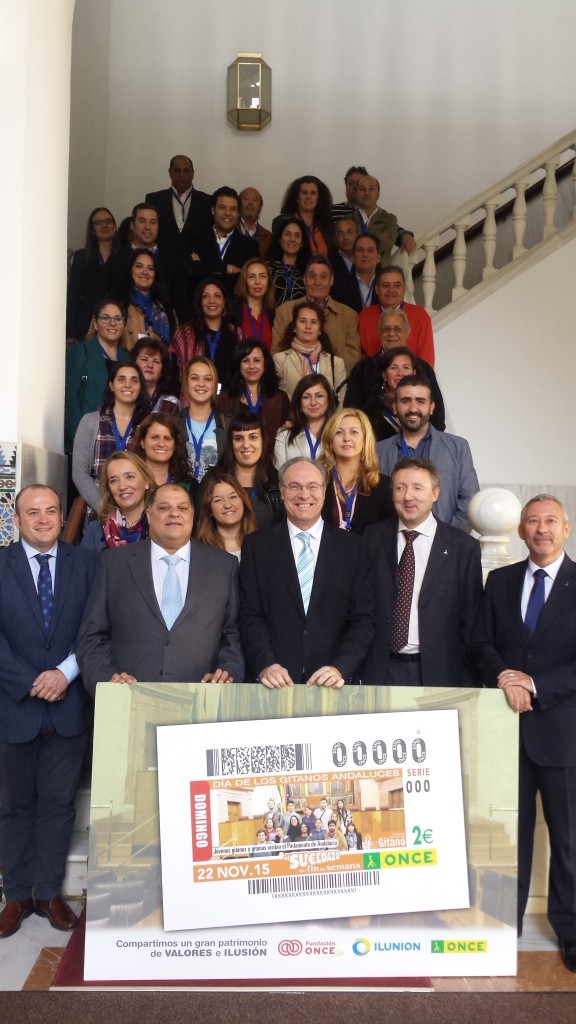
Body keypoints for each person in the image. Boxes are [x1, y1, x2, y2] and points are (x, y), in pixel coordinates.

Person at [473, 494, 576, 972]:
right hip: (506, 729)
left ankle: (571, 933)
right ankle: (501, 927)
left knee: (569, 840)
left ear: (566, 529)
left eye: (550, 521)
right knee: (506, 837)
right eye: (532, 522)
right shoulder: (499, 581)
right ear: (519, 531)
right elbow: (480, 642)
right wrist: (505, 677)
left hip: (562, 733)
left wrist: (532, 684)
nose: (540, 529)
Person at [0, 486, 98, 939]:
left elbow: (95, 628)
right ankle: (16, 895)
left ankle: (48, 893)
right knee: (13, 806)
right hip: (13, 705)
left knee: (59, 806)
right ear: (16, 519)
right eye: (32, 513)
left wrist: (64, 673)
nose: (42, 520)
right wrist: (28, 681)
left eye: (51, 511)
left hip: (68, 703)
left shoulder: (88, 564)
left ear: (63, 517)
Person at [77, 483, 244, 693]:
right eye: (164, 508)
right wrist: (106, 679)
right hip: (129, 700)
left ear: (193, 514)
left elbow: (233, 633)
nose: (174, 514)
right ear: (149, 514)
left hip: (201, 701)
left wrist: (227, 670)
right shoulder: (113, 563)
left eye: (182, 508)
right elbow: (92, 636)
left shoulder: (224, 566)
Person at [239, 456, 374, 687]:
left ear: (324, 491)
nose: (304, 495)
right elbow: (250, 614)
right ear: (281, 492)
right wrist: (265, 664)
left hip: (333, 683)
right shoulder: (256, 546)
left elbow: (363, 618)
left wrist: (340, 667)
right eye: (294, 486)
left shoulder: (354, 548)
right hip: (274, 683)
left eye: (312, 486)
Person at [360, 457, 483, 686]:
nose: (408, 496)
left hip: (438, 673)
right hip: (379, 669)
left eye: (418, 488)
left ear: (435, 493)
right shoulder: (372, 537)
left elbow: (472, 621)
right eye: (400, 488)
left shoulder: (463, 548)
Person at [376, 375, 479, 531]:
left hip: (445, 546)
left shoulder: (458, 447)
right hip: (393, 544)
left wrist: (447, 540)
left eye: (420, 401)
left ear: (431, 407)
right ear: (395, 407)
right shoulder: (377, 451)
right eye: (405, 401)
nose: (413, 408)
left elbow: (469, 502)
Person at [72, 362, 149, 520]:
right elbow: (80, 473)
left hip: (137, 517)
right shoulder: (91, 421)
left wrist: (134, 513)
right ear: (111, 385)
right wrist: (105, 510)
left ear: (140, 387)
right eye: (121, 379)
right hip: (98, 514)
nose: (128, 385)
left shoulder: (147, 425)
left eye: (134, 380)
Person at [346, 310, 445, 432]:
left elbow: (438, 415)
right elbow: (351, 412)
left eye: (397, 329)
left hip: (420, 444)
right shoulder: (363, 369)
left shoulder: (423, 368)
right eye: (386, 329)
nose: (391, 334)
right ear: (379, 333)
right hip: (375, 445)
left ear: (408, 332)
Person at [271, 256, 361, 375]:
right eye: (312, 276)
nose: (317, 282)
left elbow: (352, 356)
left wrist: (323, 375)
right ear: (304, 279)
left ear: (332, 280)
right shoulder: (284, 311)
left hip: (334, 385)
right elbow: (277, 352)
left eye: (323, 277)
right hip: (292, 384)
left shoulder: (349, 315)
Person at [104, 202, 191, 324]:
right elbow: (105, 302)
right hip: (123, 334)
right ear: (132, 225)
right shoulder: (116, 261)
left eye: (153, 222)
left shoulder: (172, 264)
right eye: (142, 221)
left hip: (163, 338)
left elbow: (182, 307)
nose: (148, 227)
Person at [64, 299, 130, 455]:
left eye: (118, 319)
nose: (112, 323)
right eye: (105, 318)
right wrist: (77, 440)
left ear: (124, 324)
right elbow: (71, 399)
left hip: (120, 441)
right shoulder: (81, 352)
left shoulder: (129, 359)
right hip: (88, 440)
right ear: (95, 323)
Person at [319, 409, 394, 534]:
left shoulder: (384, 486)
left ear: (365, 440)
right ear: (330, 440)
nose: (346, 438)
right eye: (339, 432)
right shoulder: (317, 482)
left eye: (354, 432)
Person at [216, 340, 291, 462]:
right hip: (235, 463)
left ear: (265, 364)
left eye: (257, 360)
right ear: (238, 365)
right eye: (245, 361)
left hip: (271, 465)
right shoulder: (225, 397)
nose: (251, 366)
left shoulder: (280, 398)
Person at [207, 411, 283, 530]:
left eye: (253, 437)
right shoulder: (213, 479)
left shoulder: (278, 482)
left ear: (262, 440)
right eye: (238, 438)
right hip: (219, 548)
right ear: (231, 443)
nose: (246, 445)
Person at [169, 277, 241, 402]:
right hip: (192, 402)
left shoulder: (237, 333)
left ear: (224, 302)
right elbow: (174, 374)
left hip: (229, 404)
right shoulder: (184, 333)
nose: (212, 301)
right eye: (205, 296)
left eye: (217, 296)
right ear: (199, 302)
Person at [359, 264, 435, 365]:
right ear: (377, 289)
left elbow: (426, 360)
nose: (391, 290)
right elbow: (361, 358)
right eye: (386, 285)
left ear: (404, 289)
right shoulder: (365, 316)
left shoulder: (420, 315)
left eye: (397, 285)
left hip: (411, 378)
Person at [80, 451, 157, 551]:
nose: (122, 486)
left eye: (129, 477)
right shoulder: (95, 530)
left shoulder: (161, 524)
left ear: (146, 482)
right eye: (114, 480)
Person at [272, 301, 347, 403]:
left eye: (313, 322)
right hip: (292, 417)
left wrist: (335, 419)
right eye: (303, 321)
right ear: (294, 326)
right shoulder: (280, 360)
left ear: (320, 328)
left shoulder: (336, 363)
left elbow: (342, 400)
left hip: (329, 418)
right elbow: (276, 399)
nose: (308, 326)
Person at [145, 154, 213, 264]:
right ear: (170, 172)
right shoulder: (154, 200)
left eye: (186, 171)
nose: (182, 174)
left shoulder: (207, 201)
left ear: (193, 173)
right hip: (162, 264)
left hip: (196, 267)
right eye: (177, 170)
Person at [66, 206, 121, 342]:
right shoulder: (81, 257)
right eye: (98, 222)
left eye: (108, 221)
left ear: (114, 226)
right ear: (92, 229)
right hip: (84, 327)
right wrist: (70, 333)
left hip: (115, 326)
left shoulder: (124, 258)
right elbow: (73, 296)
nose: (104, 225)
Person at [188, 186, 258, 292]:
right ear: (213, 210)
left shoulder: (250, 245)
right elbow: (191, 271)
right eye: (222, 207)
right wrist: (226, 269)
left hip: (235, 306)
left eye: (233, 209)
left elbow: (248, 281)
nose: (228, 213)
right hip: (199, 305)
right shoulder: (194, 239)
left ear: (238, 213)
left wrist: (205, 267)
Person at [178, 357, 226, 482]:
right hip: (182, 498)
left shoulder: (227, 424)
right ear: (186, 383)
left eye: (208, 379)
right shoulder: (173, 424)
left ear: (214, 384)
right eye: (194, 378)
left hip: (215, 497)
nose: (201, 384)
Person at [274, 373, 335, 468]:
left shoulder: (338, 432)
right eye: (306, 397)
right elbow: (280, 474)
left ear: (328, 400)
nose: (313, 402)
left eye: (319, 396)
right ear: (299, 404)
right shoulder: (284, 435)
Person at [354, 175, 416, 262]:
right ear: (356, 194)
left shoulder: (389, 219)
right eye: (362, 189)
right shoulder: (348, 219)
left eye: (371, 189)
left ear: (378, 194)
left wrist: (357, 245)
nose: (366, 193)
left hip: (381, 272)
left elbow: (388, 241)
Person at [120, 248, 173, 348]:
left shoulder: (166, 308)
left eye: (150, 268)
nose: (145, 272)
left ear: (155, 273)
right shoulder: (120, 304)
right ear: (130, 269)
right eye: (139, 266)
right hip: (127, 363)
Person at [195, 472, 256, 560]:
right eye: (218, 500)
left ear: (244, 502)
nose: (227, 505)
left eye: (233, 497)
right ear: (209, 510)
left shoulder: (262, 544)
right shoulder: (198, 551)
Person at [130, 413, 194, 489]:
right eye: (155, 437)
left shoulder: (189, 485)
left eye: (167, 439)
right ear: (142, 442)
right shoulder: (130, 482)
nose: (161, 444)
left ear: (175, 445)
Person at [275, 175, 334, 257]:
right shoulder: (282, 222)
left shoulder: (327, 224)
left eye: (313, 193)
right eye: (304, 193)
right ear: (297, 197)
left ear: (319, 198)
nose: (308, 197)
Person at [231, 258, 276, 350]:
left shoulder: (273, 313)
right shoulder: (233, 311)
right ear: (245, 281)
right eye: (252, 276)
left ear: (268, 281)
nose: (257, 282)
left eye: (262, 276)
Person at [331, 233, 381, 312]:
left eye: (370, 250)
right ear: (353, 256)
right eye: (360, 250)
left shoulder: (386, 285)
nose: (365, 254)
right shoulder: (338, 287)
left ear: (378, 257)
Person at [266, 217, 309, 306]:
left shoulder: (309, 270)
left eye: (297, 235)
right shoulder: (267, 268)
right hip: (272, 318)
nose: (292, 239)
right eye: (287, 234)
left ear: (302, 242)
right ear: (280, 239)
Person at [130, 337, 179, 415]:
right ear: (133, 364)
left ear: (162, 371)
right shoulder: (125, 396)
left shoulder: (171, 403)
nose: (150, 365)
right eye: (144, 359)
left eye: (156, 361)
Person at [238, 187, 272, 257]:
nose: (250, 203)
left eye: (255, 200)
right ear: (238, 204)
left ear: (260, 208)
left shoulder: (268, 236)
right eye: (246, 199)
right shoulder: (229, 229)